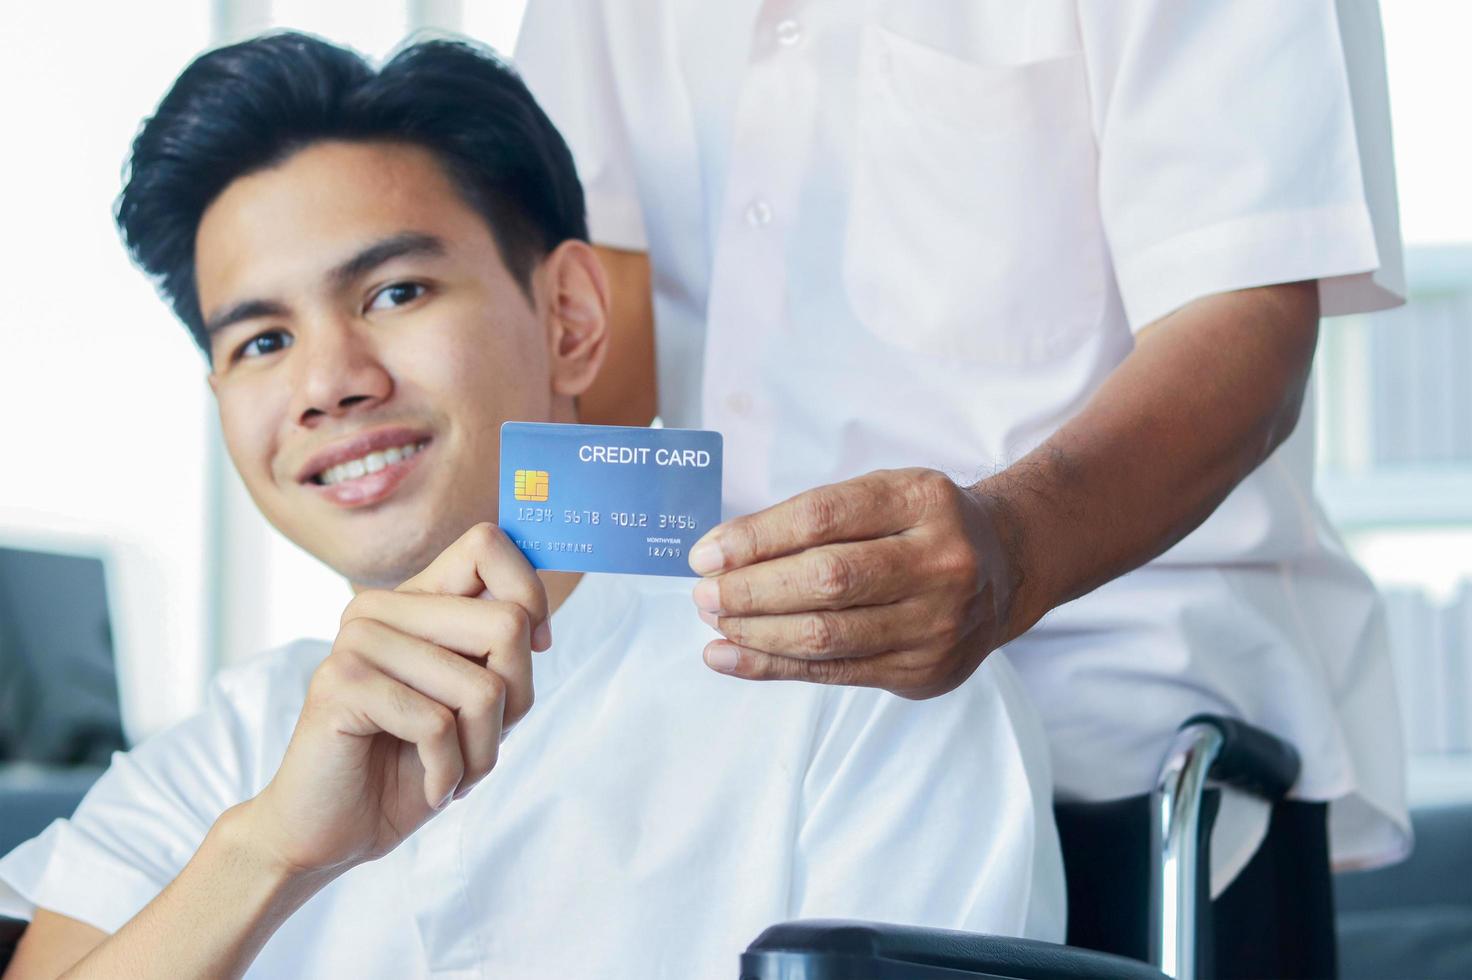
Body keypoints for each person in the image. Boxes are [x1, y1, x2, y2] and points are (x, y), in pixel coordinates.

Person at [0, 33, 1063, 979]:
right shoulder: (225, 753)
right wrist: (271, 849)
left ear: (567, 316)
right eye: (262, 342)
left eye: (394, 293)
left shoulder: (856, 685)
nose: (327, 381)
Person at [512, 2, 1410, 975]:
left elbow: (1242, 329)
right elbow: (592, 340)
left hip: (1117, 763)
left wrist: (1013, 547)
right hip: (741, 760)